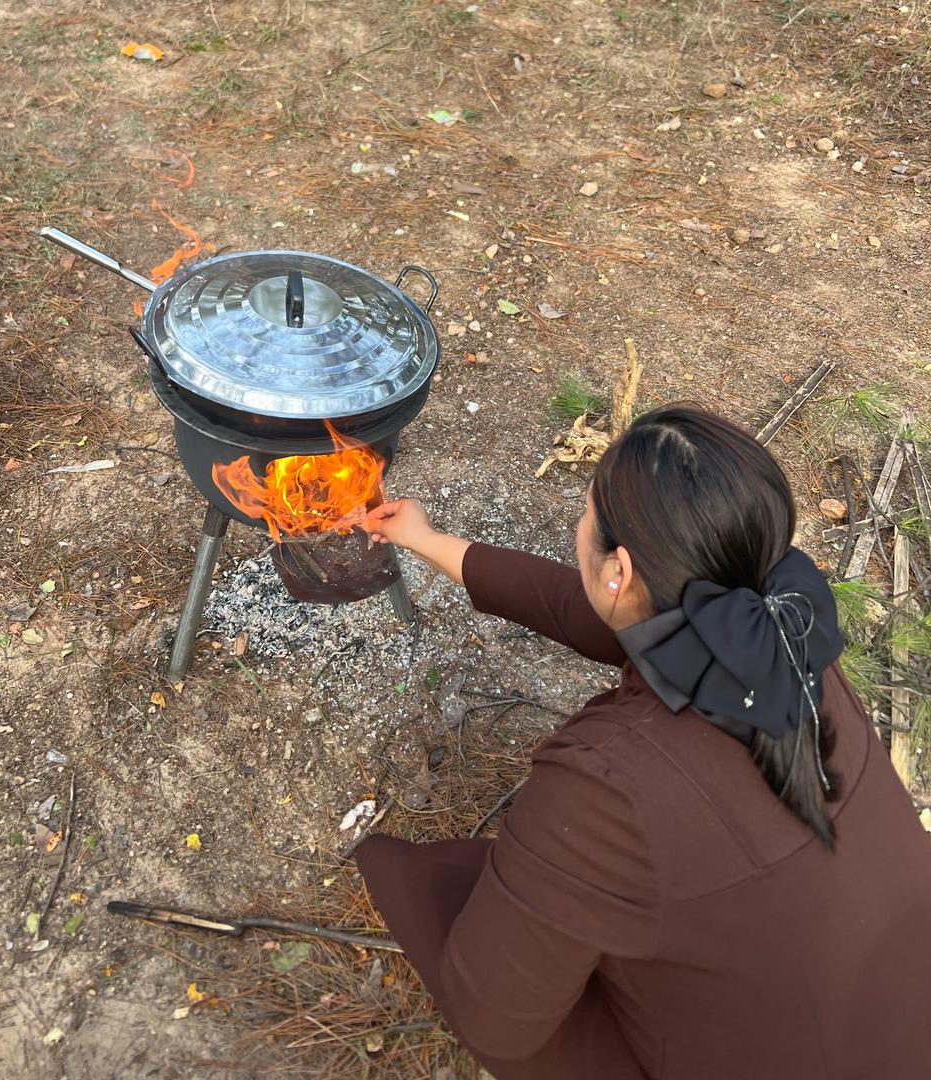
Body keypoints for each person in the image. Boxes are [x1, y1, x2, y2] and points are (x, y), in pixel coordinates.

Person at [354, 405, 931, 1080]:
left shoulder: (607, 787)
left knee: (438, 894)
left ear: (619, 571)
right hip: (899, 1015)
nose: (577, 527)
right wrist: (427, 539)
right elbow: (596, 612)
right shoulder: (787, 639)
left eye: (585, 514)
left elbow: (496, 1021)